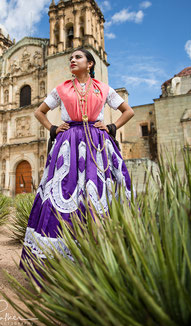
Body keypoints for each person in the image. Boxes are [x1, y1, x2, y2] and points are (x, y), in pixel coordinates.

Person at [19, 48, 134, 271]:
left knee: (97, 192)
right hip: (68, 142)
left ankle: (103, 255)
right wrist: (53, 128)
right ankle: (58, 259)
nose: (72, 60)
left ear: (90, 64)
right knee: (62, 191)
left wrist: (112, 127)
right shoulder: (61, 88)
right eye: (71, 58)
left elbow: (128, 111)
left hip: (97, 143)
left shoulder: (104, 89)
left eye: (78, 57)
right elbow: (39, 112)